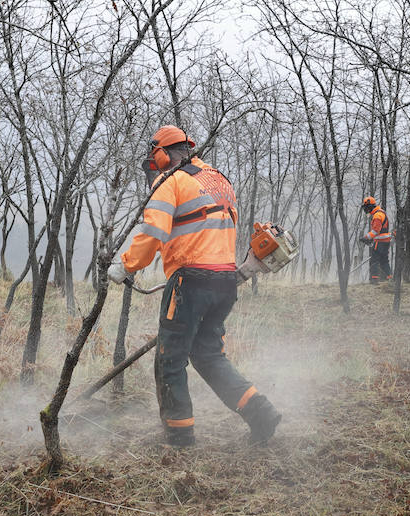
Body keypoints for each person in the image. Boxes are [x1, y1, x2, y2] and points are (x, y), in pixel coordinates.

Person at [107, 125, 283, 447]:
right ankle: (262, 413)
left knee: (169, 359)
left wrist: (125, 266)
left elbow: (153, 230)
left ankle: (179, 438)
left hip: (190, 282)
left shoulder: (170, 181)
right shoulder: (220, 181)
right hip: (224, 281)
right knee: (208, 356)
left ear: (161, 154)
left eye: (155, 160)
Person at [360, 196, 392, 284]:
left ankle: (374, 279)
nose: (366, 210)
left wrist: (366, 238)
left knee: (374, 260)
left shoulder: (377, 216)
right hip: (385, 241)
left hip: (380, 242)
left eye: (366, 208)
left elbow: (375, 231)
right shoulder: (381, 213)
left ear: (370, 207)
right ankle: (391, 277)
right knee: (384, 261)